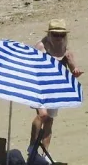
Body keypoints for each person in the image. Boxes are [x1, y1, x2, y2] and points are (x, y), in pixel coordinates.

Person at [32, 20, 83, 152]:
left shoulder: (66, 51)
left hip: (55, 89)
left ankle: (45, 153)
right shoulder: (40, 48)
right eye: (55, 34)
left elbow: (73, 69)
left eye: (61, 35)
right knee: (42, 115)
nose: (59, 38)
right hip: (40, 87)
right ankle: (32, 147)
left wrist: (76, 72)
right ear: (50, 34)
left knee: (49, 120)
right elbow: (32, 67)